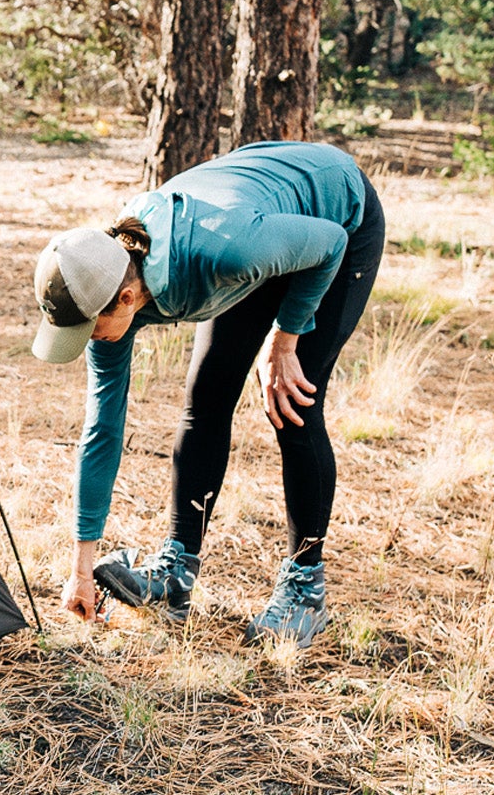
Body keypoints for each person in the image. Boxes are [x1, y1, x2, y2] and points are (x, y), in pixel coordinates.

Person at [30, 141, 385, 647]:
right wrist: (81, 568)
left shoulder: (222, 254)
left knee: (292, 403)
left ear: (127, 299)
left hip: (336, 220)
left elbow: (326, 243)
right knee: (207, 398)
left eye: (89, 330)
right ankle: (176, 572)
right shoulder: (107, 281)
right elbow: (101, 432)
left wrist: (285, 338)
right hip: (264, 224)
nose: (89, 341)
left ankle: (306, 590)